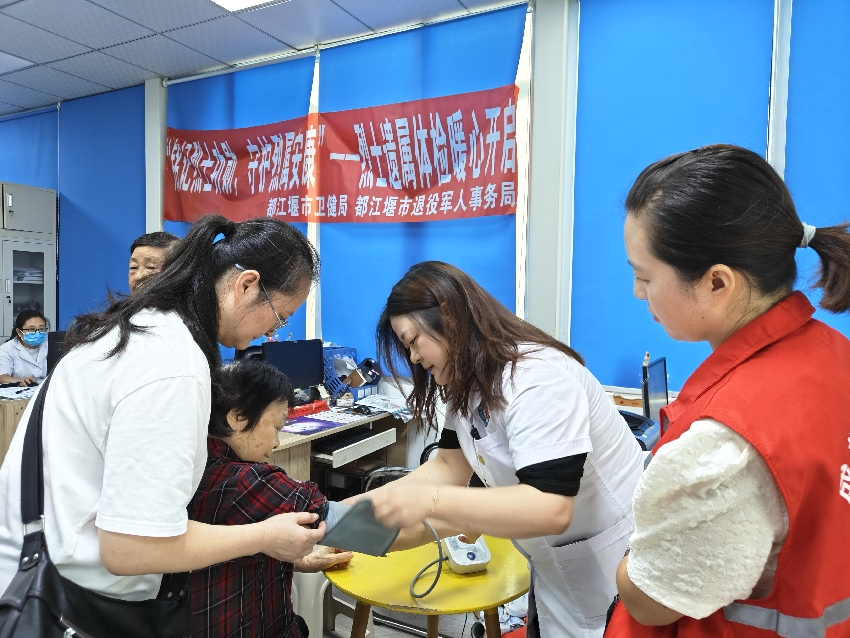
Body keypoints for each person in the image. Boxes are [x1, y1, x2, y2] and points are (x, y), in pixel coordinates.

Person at [0, 214, 325, 604]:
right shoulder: (171, 364)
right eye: (281, 316)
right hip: (65, 598)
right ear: (246, 284)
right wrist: (267, 536)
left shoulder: (147, 330)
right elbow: (132, 549)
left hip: (45, 573)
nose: (274, 332)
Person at [608, 144, 850, 637]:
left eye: (644, 276)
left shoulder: (725, 445)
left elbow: (653, 601)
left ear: (718, 283)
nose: (638, 293)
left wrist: (626, 563)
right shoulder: (832, 353)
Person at [365, 261, 644, 638]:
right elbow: (446, 466)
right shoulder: (469, 384)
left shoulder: (536, 378)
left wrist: (432, 504)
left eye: (414, 340)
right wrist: (350, 517)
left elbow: (549, 506)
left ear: (450, 316)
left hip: (615, 574)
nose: (413, 357)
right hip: (555, 573)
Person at [189, 358, 352, 638]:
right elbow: (350, 525)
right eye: (276, 427)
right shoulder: (249, 482)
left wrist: (299, 561)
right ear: (237, 417)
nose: (277, 443)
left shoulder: (192, 464)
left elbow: (233, 548)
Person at [0, 309, 48, 386]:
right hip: (21, 392)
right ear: (19, 332)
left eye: (41, 329)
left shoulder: (51, 345)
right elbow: (2, 377)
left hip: (49, 390)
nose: (37, 333)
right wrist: (20, 381)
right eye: (32, 329)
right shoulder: (7, 349)